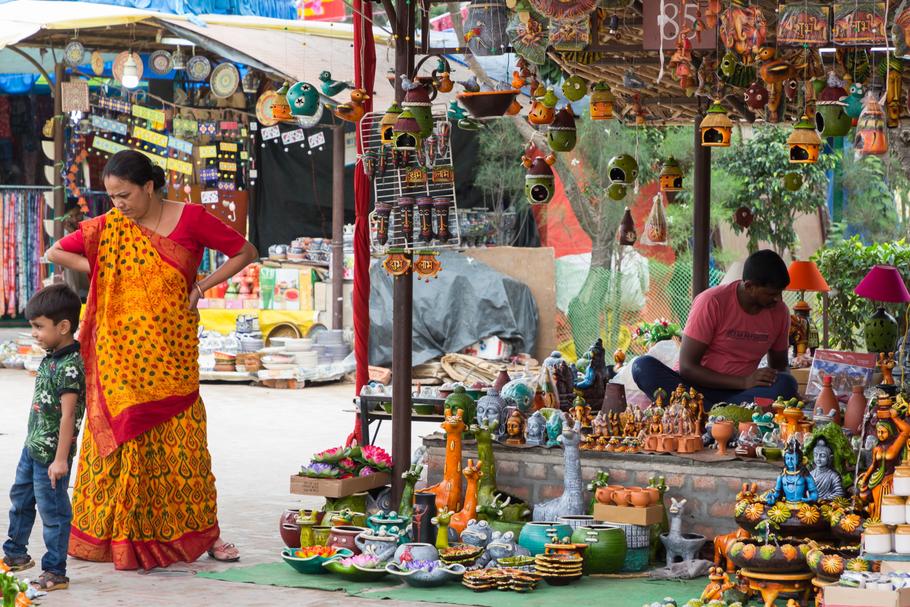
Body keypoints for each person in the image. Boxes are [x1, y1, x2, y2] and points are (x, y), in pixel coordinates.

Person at [46, 150, 258, 570]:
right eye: (111, 196)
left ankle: (201, 534)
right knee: (120, 439)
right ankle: (113, 534)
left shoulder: (192, 218)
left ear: (149, 186)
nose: (118, 204)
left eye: (125, 194)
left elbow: (245, 252)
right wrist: (106, 271)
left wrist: (200, 287)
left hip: (172, 351)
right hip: (119, 353)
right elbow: (56, 252)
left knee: (185, 445)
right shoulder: (111, 228)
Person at [632, 249, 798, 406]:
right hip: (692, 389)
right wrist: (744, 381)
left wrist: (792, 395)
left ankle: (706, 412)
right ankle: (718, 412)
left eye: (780, 292)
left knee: (787, 383)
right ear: (749, 286)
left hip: (739, 395)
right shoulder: (712, 302)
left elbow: (779, 366)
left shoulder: (779, 312)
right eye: (771, 294)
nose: (778, 299)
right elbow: (687, 367)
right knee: (642, 366)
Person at [3, 284, 85, 592]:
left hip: (52, 454)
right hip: (32, 446)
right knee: (20, 500)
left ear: (63, 327)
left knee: (53, 512)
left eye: (39, 326)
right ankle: (15, 553)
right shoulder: (52, 357)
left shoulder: (70, 367)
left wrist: (61, 459)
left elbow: (68, 417)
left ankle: (55, 570)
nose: (34, 333)